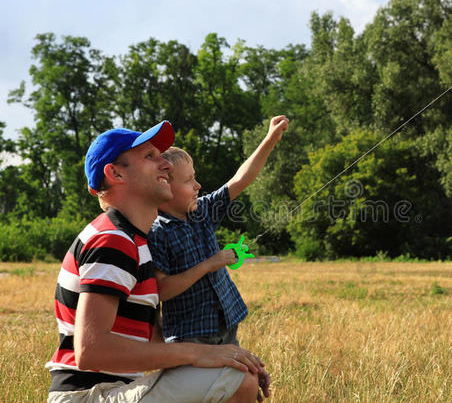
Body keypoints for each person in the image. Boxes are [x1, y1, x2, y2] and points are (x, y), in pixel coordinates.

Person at [46, 121, 267, 403]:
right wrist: (202, 353)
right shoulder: (113, 241)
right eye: (150, 157)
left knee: (238, 373)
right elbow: (91, 350)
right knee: (239, 381)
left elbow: (149, 344)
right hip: (88, 395)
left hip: (118, 388)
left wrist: (233, 356)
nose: (164, 164)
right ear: (114, 173)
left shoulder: (136, 242)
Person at [147, 115, 289, 393]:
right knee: (204, 394)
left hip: (226, 323)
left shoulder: (202, 211)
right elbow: (162, 289)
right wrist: (210, 263)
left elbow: (241, 179)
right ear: (165, 185)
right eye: (189, 181)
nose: (198, 185)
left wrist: (269, 140)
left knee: (237, 387)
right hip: (190, 337)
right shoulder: (157, 232)